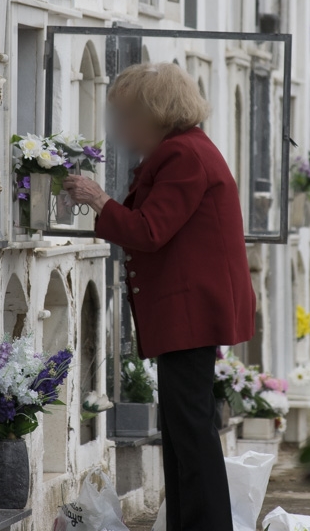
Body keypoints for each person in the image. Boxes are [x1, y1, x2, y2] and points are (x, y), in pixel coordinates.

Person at [64, 62, 255, 530]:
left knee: (191, 432)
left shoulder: (183, 156)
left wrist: (97, 199)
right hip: (187, 311)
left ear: (155, 113)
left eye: (128, 116)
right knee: (183, 431)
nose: (122, 130)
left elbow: (149, 230)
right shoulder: (178, 151)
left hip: (192, 311)